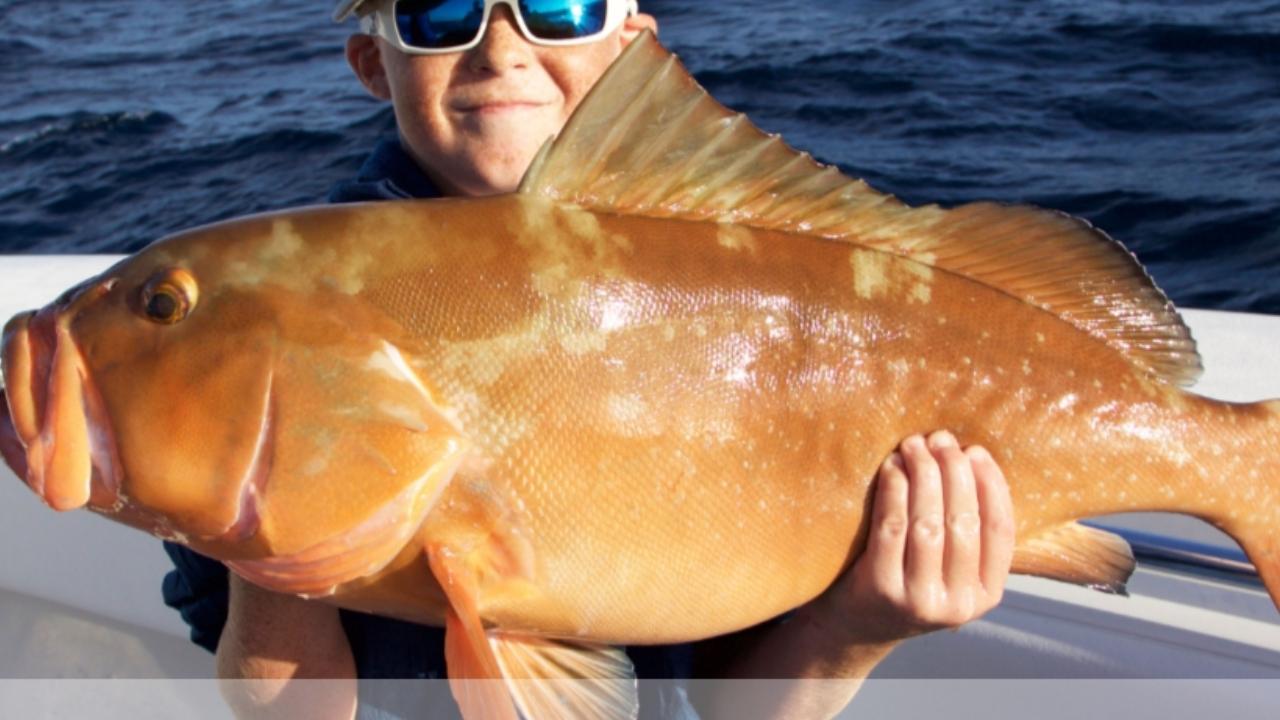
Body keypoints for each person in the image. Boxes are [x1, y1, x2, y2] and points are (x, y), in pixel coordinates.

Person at [162, 1, 1018, 718]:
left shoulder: (755, 249)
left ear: (632, 41)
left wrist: (858, 627)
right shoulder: (271, 313)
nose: (500, 51)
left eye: (558, 7)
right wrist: (275, 523)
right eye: (440, 12)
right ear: (372, 61)